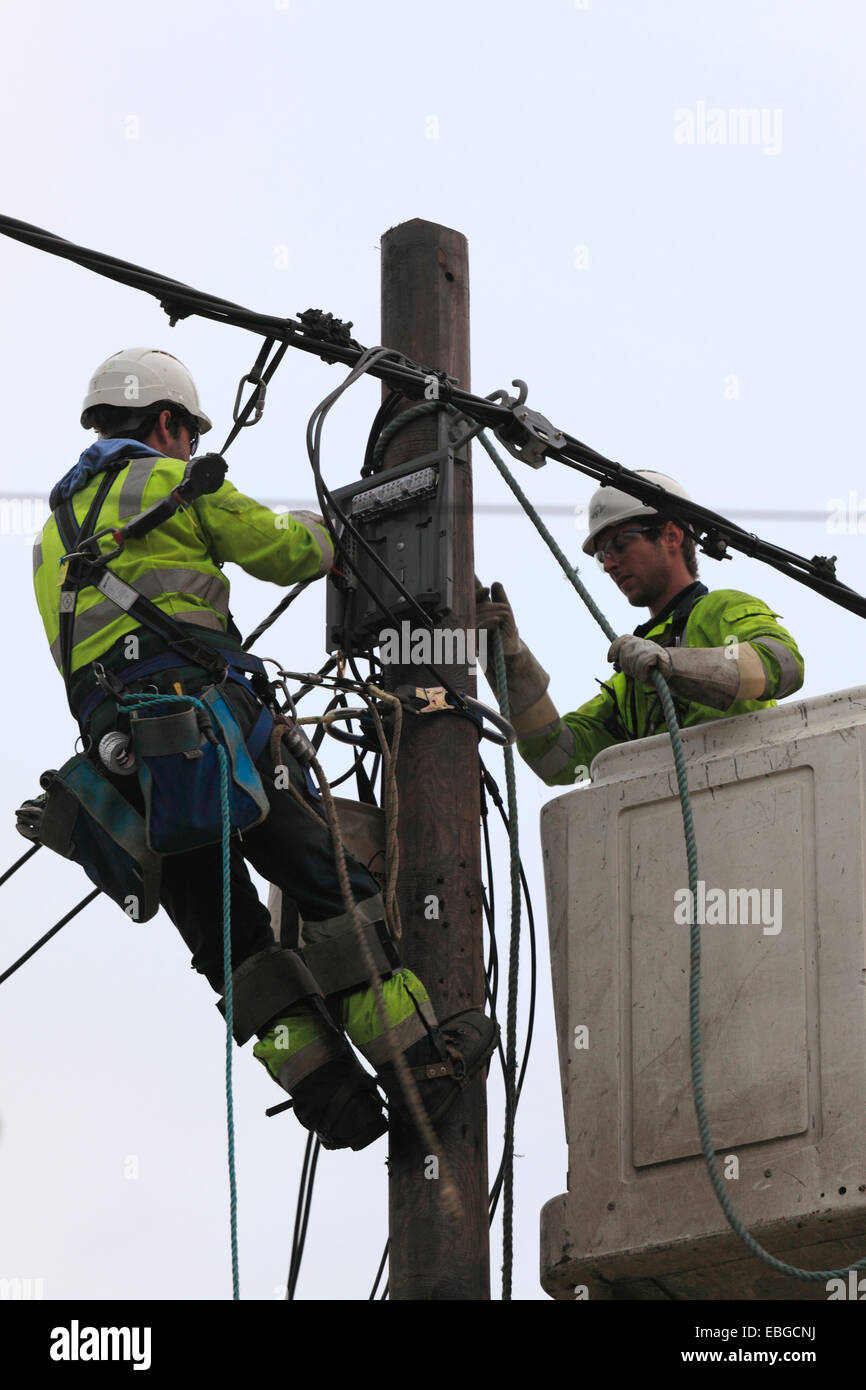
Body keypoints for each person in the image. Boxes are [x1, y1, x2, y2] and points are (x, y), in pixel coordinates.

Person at [33, 347, 494, 1150]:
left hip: (128, 776)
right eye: (186, 434)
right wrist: (327, 533)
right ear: (168, 423)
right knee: (328, 886)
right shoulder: (166, 481)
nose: (185, 448)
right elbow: (289, 552)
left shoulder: (47, 542)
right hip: (212, 734)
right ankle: (422, 1063)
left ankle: (334, 1100)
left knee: (230, 948)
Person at [476, 471, 804, 785]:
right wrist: (510, 661)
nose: (608, 564)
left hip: (750, 803)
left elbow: (783, 664)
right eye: (602, 554)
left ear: (672, 535)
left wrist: (673, 666)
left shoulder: (719, 609)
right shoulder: (631, 683)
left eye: (620, 544)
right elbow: (557, 758)